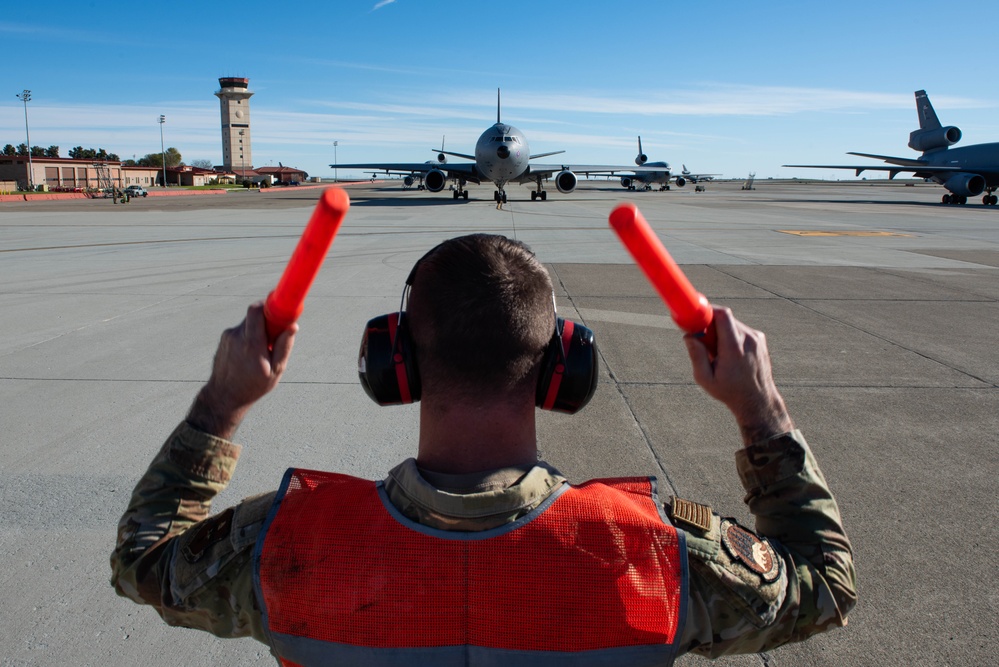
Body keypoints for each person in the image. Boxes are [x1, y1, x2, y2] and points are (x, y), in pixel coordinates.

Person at [112, 233, 856, 664]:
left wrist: (223, 401)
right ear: (564, 366)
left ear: (391, 363)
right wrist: (761, 409)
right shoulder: (658, 551)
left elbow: (144, 560)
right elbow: (824, 587)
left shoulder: (286, 543)